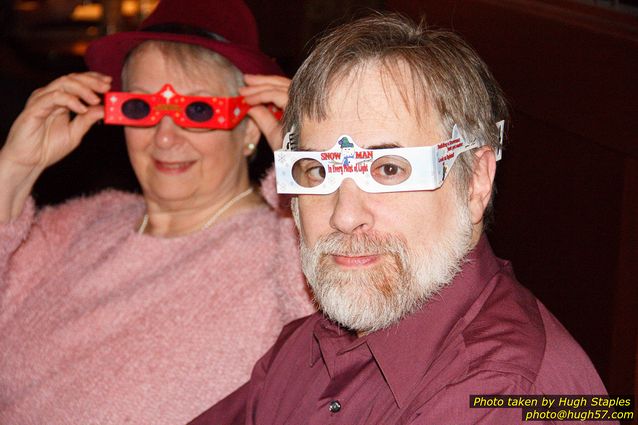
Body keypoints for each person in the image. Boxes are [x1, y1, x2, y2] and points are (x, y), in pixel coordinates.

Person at [189, 13, 613, 424]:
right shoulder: (309, 344)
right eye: (318, 171)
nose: (344, 215)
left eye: (388, 169)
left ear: (475, 181)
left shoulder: (501, 394)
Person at [0, 1, 314, 424]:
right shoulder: (80, 223)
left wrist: (308, 175)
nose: (164, 139)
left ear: (251, 128)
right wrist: (13, 171)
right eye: (142, 109)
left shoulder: (285, 252)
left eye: (198, 111)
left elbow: (327, 360)